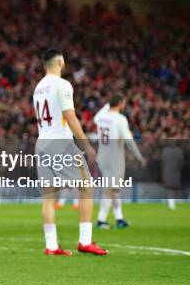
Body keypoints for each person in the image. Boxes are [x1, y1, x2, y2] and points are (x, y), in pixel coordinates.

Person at [33, 49, 107, 256]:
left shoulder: (38, 88)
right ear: (60, 62)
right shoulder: (62, 84)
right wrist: (86, 145)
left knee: (49, 197)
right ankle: (85, 240)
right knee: (87, 187)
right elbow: (70, 116)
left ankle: (51, 245)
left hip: (42, 142)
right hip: (60, 143)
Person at [94, 95, 146, 229]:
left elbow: (96, 118)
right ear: (121, 103)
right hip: (114, 157)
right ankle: (101, 220)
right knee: (110, 189)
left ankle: (119, 219)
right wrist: (139, 157)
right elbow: (129, 140)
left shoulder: (101, 118)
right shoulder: (120, 119)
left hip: (102, 156)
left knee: (115, 189)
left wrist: (107, 105)